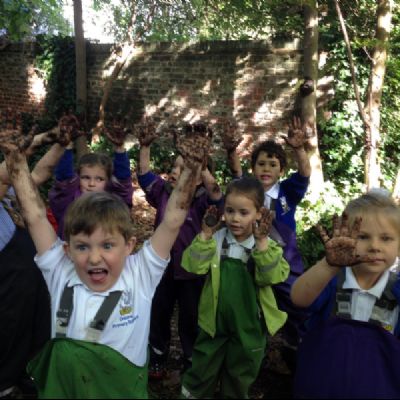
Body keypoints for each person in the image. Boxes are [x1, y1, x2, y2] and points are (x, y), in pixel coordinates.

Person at [0, 123, 208, 398]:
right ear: (67, 249)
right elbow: (35, 216)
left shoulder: (140, 274)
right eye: (82, 246)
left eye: (107, 245)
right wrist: (15, 160)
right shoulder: (61, 269)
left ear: (129, 246)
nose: (94, 257)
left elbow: (172, 221)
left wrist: (192, 169)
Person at [180, 176, 290, 398]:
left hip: (248, 325)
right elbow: (193, 266)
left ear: (259, 213)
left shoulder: (267, 245)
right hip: (214, 321)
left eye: (243, 212)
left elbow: (272, 277)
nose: (235, 218)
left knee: (240, 373)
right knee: (202, 367)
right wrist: (205, 235)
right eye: (230, 211)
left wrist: (261, 244)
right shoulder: (216, 238)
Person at [0, 115, 82, 399]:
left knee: (38, 323)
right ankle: (4, 383)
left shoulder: (14, 186)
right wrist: (41, 138)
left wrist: (60, 142)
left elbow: (39, 173)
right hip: (8, 275)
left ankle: (31, 373)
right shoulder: (5, 177)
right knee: (10, 325)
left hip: (34, 273)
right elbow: (8, 171)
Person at [291, 191, 400, 398]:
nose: (375, 246)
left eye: (386, 238)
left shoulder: (397, 290)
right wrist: (328, 265)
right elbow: (298, 298)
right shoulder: (331, 280)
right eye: (363, 237)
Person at [137, 120, 224, 377]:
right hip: (163, 268)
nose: (175, 172)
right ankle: (158, 353)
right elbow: (144, 176)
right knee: (159, 312)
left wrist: (201, 166)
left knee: (190, 317)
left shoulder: (203, 200)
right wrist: (144, 147)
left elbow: (218, 195)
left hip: (192, 272)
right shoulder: (163, 192)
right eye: (174, 167)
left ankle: (190, 356)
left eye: (183, 168)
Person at [223, 117, 311, 357]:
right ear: (253, 168)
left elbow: (304, 174)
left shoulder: (287, 191)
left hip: (284, 258)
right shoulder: (247, 191)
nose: (266, 169)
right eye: (261, 164)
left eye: (273, 164)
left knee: (295, 300)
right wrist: (231, 151)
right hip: (252, 257)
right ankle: (253, 350)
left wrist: (299, 148)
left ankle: (293, 344)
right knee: (252, 303)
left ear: (281, 170)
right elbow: (235, 172)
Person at [49, 117, 134, 238]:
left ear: (108, 181)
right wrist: (67, 146)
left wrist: (119, 149)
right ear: (78, 178)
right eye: (86, 177)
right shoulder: (69, 200)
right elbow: (64, 180)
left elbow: (122, 184)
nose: (91, 184)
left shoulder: (113, 201)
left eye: (99, 179)